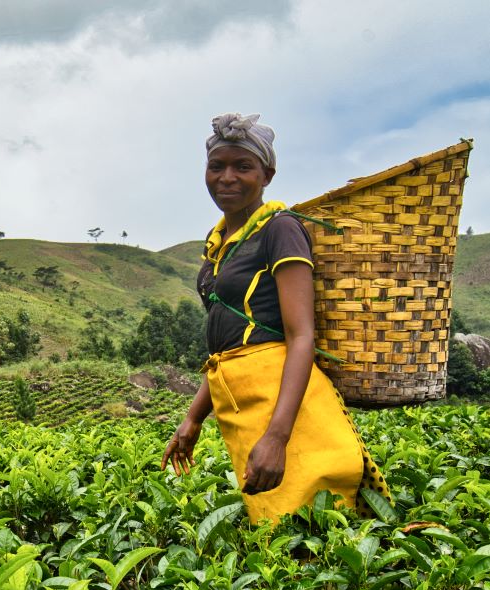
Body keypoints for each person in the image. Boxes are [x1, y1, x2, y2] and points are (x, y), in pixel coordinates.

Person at [160, 113, 390, 523]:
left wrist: (278, 437)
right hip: (241, 405)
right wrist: (193, 419)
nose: (227, 177)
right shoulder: (219, 247)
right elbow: (226, 349)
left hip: (287, 409)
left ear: (267, 175)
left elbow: (301, 336)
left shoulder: (280, 229)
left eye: (242, 166)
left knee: (313, 537)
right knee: (275, 537)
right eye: (217, 166)